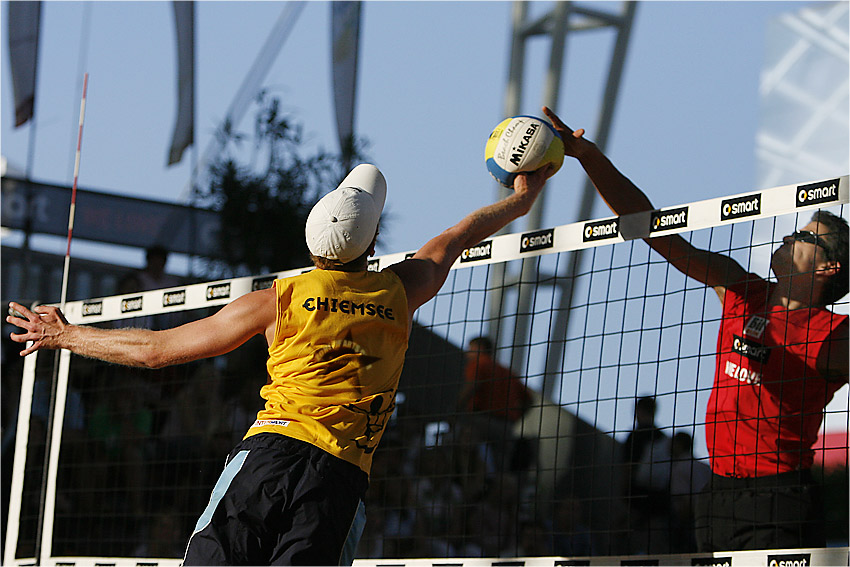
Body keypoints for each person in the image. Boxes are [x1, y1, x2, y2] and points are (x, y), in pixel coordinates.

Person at [8, 162, 554, 565]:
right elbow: (456, 237)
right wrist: (521, 200)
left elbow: (156, 351)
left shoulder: (279, 299)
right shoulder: (399, 291)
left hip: (267, 455)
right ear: (371, 247)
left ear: (313, 247)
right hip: (337, 475)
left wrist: (66, 335)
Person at [541, 106, 848, 551]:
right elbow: (652, 229)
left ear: (829, 267)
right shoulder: (742, 290)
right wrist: (587, 156)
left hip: (779, 498)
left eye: (805, 237)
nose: (788, 238)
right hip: (717, 493)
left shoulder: (835, 333)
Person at [457, 336, 533, 473]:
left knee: (466, 456)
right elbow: (529, 399)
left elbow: (472, 386)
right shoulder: (507, 372)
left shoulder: (479, 364)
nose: (467, 353)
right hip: (505, 426)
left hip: (480, 420)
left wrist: (456, 410)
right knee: (500, 467)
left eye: (470, 348)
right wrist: (517, 418)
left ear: (479, 349)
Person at [621, 396, 671, 553]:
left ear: (637, 411)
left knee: (632, 541)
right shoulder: (663, 438)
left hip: (636, 497)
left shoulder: (635, 436)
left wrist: (624, 491)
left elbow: (628, 466)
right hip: (659, 499)